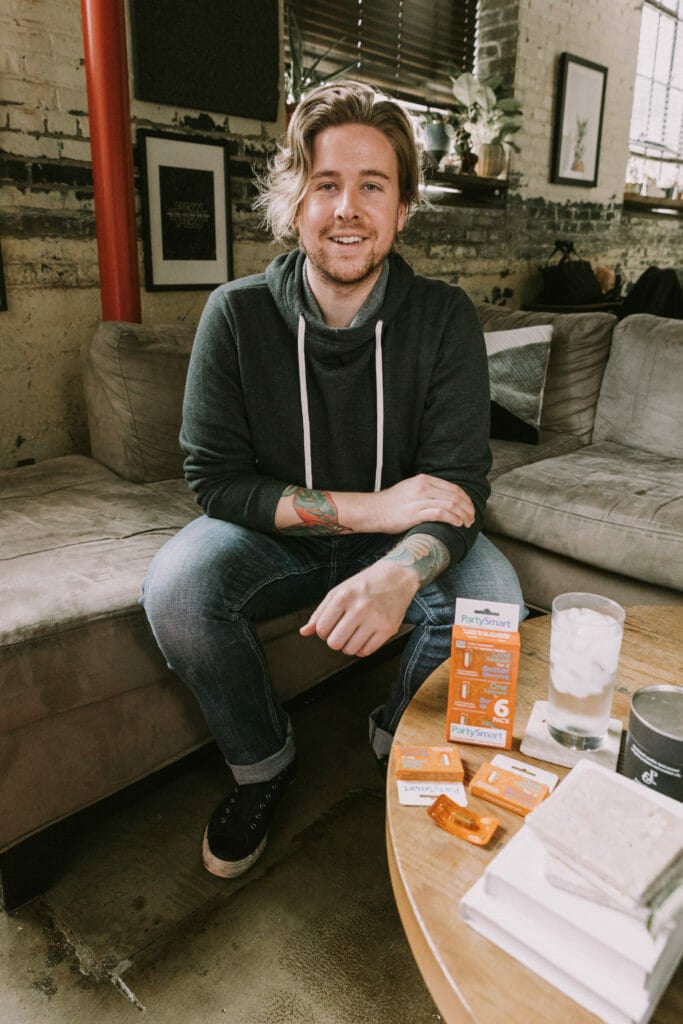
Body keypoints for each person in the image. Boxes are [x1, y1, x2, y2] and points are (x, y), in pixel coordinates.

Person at [142, 80, 524, 880]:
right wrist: (371, 507)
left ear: (403, 207)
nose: (347, 208)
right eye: (326, 184)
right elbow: (214, 482)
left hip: (402, 541)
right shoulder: (235, 315)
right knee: (177, 587)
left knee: (496, 608)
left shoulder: (445, 317)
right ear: (294, 202)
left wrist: (395, 567)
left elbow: (459, 486)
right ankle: (263, 764)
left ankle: (396, 742)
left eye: (372, 186)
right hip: (277, 538)